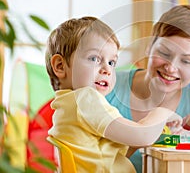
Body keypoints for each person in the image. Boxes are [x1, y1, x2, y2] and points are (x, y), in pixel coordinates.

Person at [45, 16, 180, 173]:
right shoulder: (85, 99)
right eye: (95, 58)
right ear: (60, 66)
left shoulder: (67, 105)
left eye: (111, 63)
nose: (107, 70)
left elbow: (110, 155)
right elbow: (143, 135)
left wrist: (146, 131)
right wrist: (162, 112)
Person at [106, 5, 190, 172]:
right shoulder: (107, 88)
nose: (171, 68)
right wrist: (141, 136)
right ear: (149, 46)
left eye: (186, 61)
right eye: (164, 53)